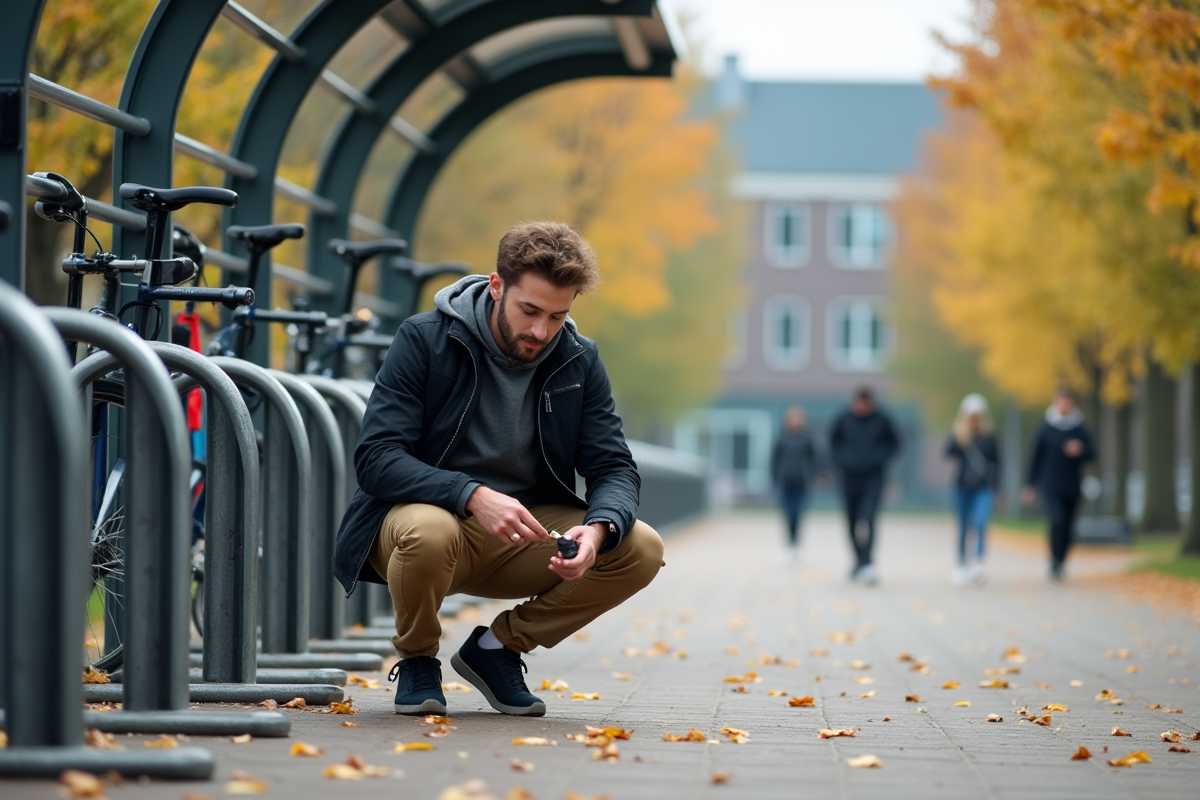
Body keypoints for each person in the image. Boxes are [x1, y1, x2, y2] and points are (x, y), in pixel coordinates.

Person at [332, 221, 664, 718]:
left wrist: (597, 531)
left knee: (639, 547)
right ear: (496, 286)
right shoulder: (424, 340)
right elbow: (377, 458)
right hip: (425, 528)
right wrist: (471, 494)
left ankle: (498, 649)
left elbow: (614, 466)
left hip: (522, 536)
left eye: (557, 316)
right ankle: (419, 659)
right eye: (529, 310)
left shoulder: (578, 360)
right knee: (429, 529)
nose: (540, 331)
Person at [828, 387, 901, 585]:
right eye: (858, 403)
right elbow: (833, 443)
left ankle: (867, 563)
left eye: (865, 404)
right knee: (851, 521)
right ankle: (859, 560)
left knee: (868, 519)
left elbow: (894, 443)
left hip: (873, 478)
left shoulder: (882, 420)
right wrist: (842, 461)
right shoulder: (843, 419)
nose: (861, 407)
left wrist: (878, 459)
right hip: (849, 477)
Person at [1022, 387, 1094, 581]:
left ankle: (1061, 560)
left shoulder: (1079, 428)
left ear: (1072, 404)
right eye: (1061, 401)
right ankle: (1054, 560)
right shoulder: (1045, 427)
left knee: (1069, 526)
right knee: (1057, 520)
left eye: (1067, 401)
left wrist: (1080, 450)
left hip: (1072, 484)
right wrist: (1030, 485)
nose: (1064, 405)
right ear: (1055, 402)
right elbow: (1035, 457)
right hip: (1050, 483)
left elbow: (1092, 453)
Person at [944, 394, 1000, 586]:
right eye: (971, 416)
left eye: (977, 416)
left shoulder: (989, 437)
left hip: (983, 487)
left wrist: (999, 488)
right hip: (962, 487)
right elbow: (947, 453)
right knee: (963, 526)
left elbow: (997, 463)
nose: (974, 420)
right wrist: (960, 438)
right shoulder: (960, 435)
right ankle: (960, 564)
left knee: (980, 522)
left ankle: (978, 563)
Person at [771, 405, 819, 562]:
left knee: (798, 514)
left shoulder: (807, 437)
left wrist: (813, 475)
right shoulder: (782, 437)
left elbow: (814, 459)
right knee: (788, 515)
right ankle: (789, 545)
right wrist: (774, 478)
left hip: (802, 482)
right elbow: (775, 459)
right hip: (785, 481)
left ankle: (796, 545)